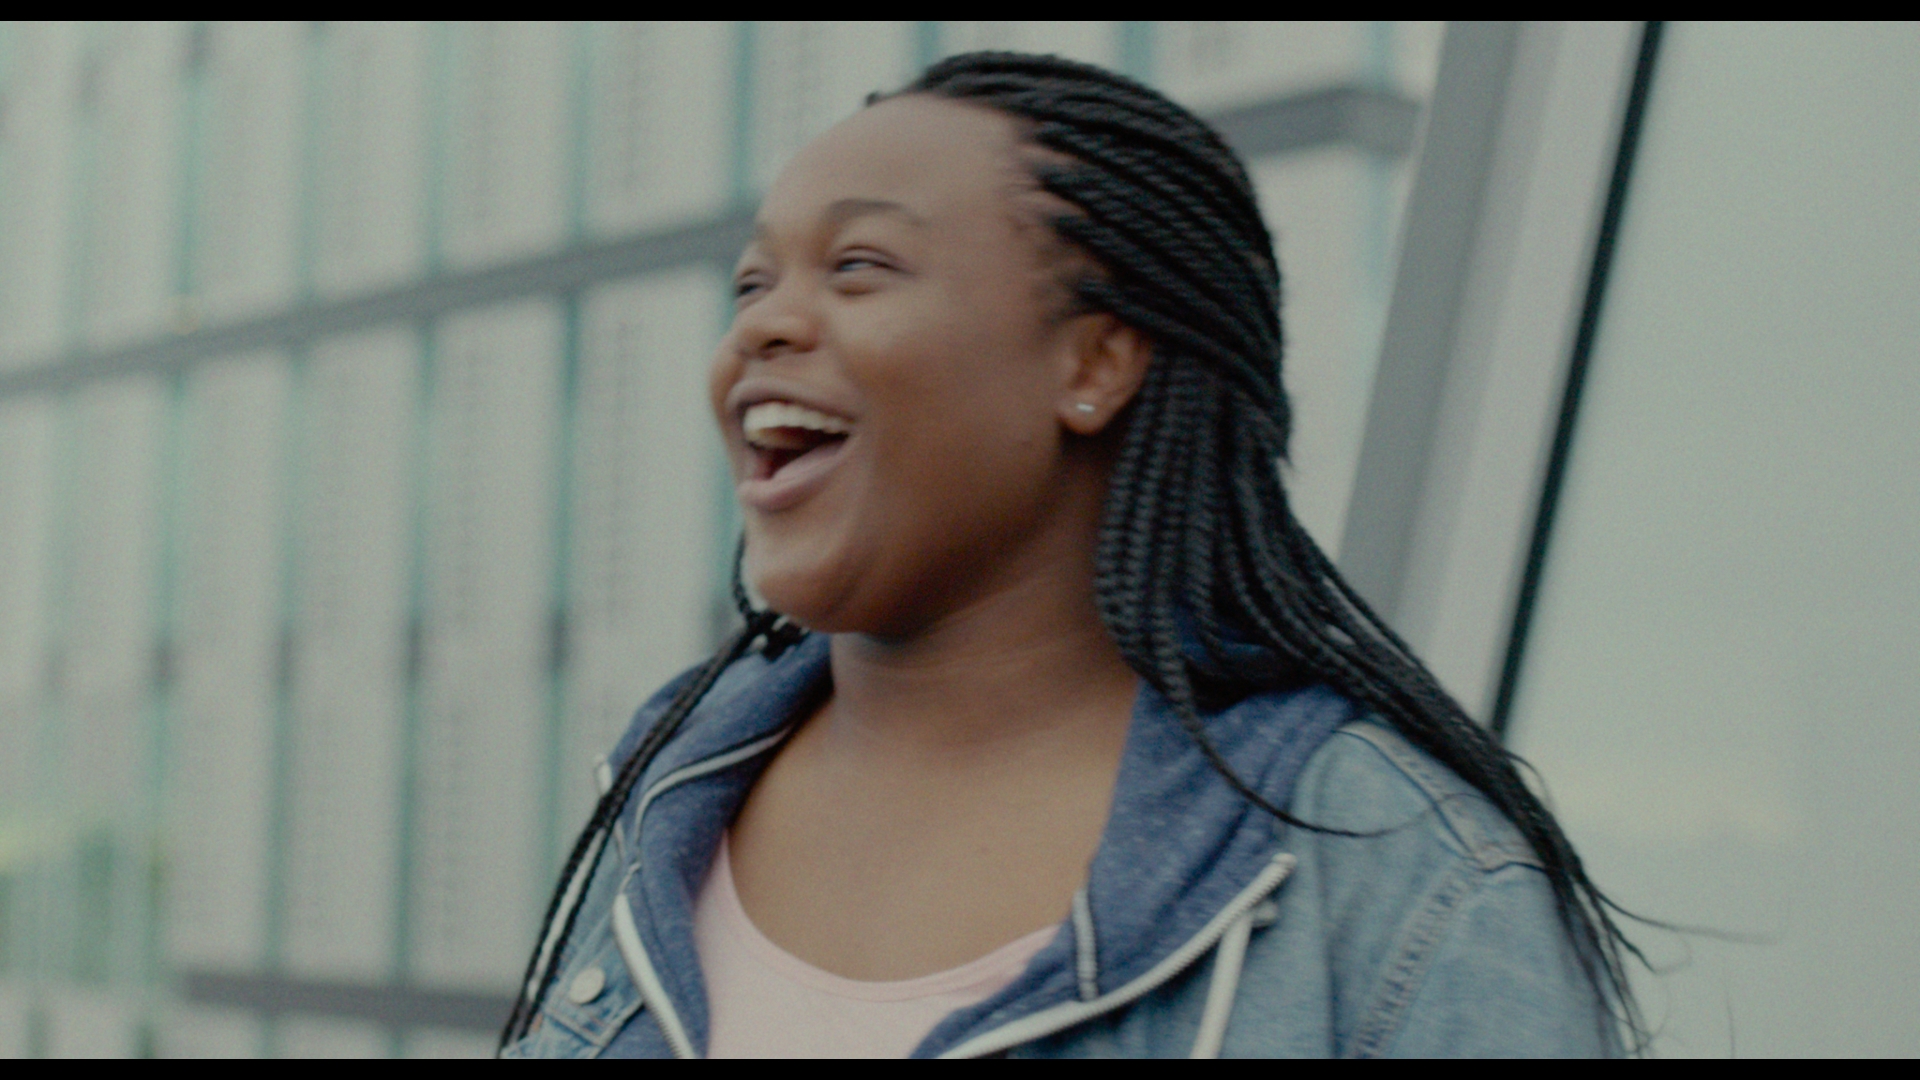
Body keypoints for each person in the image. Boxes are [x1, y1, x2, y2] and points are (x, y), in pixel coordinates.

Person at [499, 52, 1634, 1058]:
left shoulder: (1406, 885)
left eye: (858, 266)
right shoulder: (666, 789)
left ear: (1093, 364)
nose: (760, 326)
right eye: (752, 283)